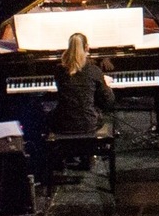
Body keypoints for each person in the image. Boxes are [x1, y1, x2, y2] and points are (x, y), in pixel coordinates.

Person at [48, 33, 115, 163]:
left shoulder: (59, 71)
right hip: (88, 125)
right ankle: (88, 153)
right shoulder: (94, 70)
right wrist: (104, 83)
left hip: (63, 123)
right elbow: (108, 101)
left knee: (47, 112)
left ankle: (62, 156)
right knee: (97, 114)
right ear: (87, 48)